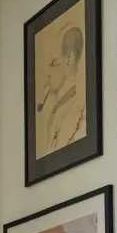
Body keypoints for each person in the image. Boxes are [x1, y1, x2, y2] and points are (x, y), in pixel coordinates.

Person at [37, 24, 86, 155]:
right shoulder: (54, 112)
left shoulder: (80, 113)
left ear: (70, 59)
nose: (47, 73)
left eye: (53, 63)